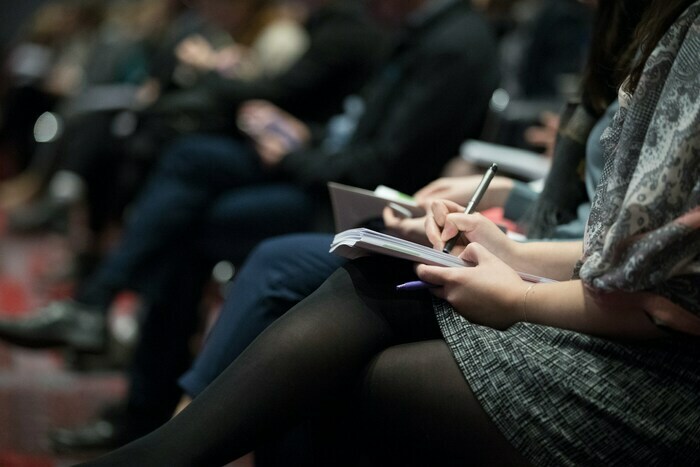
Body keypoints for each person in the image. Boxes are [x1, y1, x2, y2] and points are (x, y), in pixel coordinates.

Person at [76, 0, 700, 465]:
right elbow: (620, 248)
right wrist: (509, 246)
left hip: (660, 378)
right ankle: (158, 433)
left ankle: (160, 436)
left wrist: (522, 293)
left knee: (329, 353)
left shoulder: (675, 37)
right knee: (357, 267)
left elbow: (664, 299)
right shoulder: (659, 32)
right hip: (599, 301)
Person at [0, 0, 500, 452]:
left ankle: (158, 419)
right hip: (328, 176)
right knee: (188, 164)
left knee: (201, 221)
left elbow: (381, 167)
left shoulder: (447, 43)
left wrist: (296, 153)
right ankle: (145, 399)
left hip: (369, 207)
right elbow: (356, 128)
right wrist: (305, 138)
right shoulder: (413, 28)